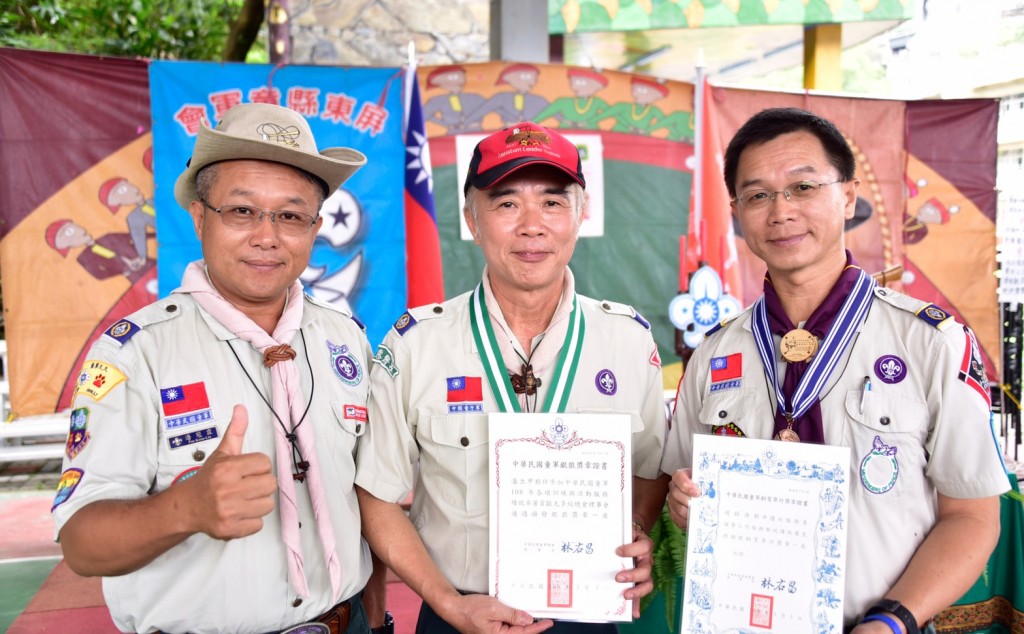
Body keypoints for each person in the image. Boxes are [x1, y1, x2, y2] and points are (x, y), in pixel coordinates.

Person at [661, 107, 1009, 633]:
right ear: (737, 212)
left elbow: (974, 517)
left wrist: (892, 622)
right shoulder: (712, 354)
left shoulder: (929, 342)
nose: (780, 212)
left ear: (847, 196)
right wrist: (684, 505)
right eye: (757, 195)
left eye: (802, 187)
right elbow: (680, 490)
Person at [52, 103, 391, 634]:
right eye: (241, 211)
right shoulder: (137, 353)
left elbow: (364, 502)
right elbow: (81, 544)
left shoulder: (344, 338)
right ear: (199, 216)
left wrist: (375, 612)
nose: (266, 236)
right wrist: (184, 509)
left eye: (291, 215)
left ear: (315, 227)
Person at [355, 121, 669, 634]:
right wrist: (448, 603)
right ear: (472, 220)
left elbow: (651, 466)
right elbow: (376, 496)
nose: (532, 225)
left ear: (580, 213)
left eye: (552, 202)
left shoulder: (627, 340)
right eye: (506, 204)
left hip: (587, 614)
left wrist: (634, 530)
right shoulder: (417, 344)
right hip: (457, 614)